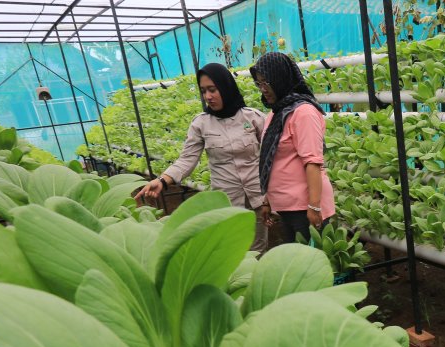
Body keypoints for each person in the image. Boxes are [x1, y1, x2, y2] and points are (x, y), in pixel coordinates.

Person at [138, 63, 267, 251]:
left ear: (226, 87)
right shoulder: (201, 124)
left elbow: (271, 156)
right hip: (226, 201)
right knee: (231, 249)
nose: (208, 96)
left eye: (213, 90)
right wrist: (163, 180)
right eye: (203, 91)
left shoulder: (253, 118)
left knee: (258, 248)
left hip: (257, 197)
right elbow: (187, 159)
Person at [249, 52, 335, 244]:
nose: (262, 89)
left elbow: (312, 161)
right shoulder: (276, 113)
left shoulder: (304, 113)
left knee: (308, 265)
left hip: (304, 207)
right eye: (259, 83)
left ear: (280, 78)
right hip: (287, 206)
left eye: (266, 82)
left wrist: (314, 207)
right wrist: (267, 200)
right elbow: (273, 161)